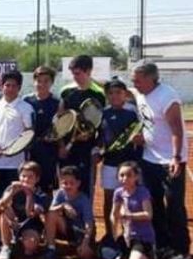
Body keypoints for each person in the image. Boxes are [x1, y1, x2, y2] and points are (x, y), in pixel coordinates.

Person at [131, 61, 190, 259]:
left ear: (150, 78)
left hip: (169, 160)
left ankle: (181, 249)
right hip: (149, 157)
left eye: (137, 80)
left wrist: (175, 157)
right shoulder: (141, 94)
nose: (134, 83)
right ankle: (163, 245)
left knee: (173, 204)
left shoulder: (167, 96)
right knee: (154, 202)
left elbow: (177, 130)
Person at [98, 76, 142, 241]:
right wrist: (99, 150)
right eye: (111, 93)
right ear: (107, 96)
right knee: (109, 200)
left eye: (118, 92)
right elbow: (100, 138)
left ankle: (129, 235)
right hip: (109, 164)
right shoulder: (103, 114)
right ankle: (110, 234)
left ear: (125, 94)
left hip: (129, 165)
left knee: (129, 199)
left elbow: (141, 135)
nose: (114, 96)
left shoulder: (133, 112)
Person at [58, 55, 106, 200]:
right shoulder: (66, 92)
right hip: (67, 149)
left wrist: (98, 148)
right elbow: (60, 121)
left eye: (78, 73)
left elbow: (102, 125)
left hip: (87, 150)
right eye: (73, 73)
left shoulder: (99, 94)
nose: (75, 77)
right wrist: (61, 146)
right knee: (66, 185)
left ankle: (86, 220)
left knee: (85, 187)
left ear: (89, 71)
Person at [0, 71, 33, 195]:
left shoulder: (26, 108)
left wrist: (14, 149)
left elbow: (29, 133)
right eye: (7, 85)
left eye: (14, 86)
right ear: (2, 86)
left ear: (19, 88)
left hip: (16, 165)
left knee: (15, 199)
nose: (10, 89)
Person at [0, 161, 48, 259]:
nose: (26, 180)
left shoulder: (41, 195)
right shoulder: (11, 189)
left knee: (30, 247)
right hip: (13, 222)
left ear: (37, 179)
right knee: (5, 209)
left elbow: (30, 214)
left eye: (30, 177)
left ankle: (19, 244)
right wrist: (12, 193)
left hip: (30, 226)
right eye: (23, 176)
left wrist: (29, 195)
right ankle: (6, 247)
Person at [41, 166, 95, 259]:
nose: (68, 186)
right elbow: (51, 210)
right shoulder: (60, 193)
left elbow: (89, 223)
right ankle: (51, 248)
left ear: (78, 183)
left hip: (80, 231)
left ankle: (77, 246)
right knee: (51, 214)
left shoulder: (84, 199)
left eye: (72, 183)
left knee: (85, 256)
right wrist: (63, 205)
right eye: (65, 183)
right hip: (65, 227)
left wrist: (85, 243)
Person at [111, 161, 155, 259]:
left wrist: (128, 216)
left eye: (129, 175)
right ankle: (127, 252)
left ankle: (150, 253)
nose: (124, 178)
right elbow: (114, 214)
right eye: (121, 175)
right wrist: (114, 234)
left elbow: (148, 215)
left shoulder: (143, 192)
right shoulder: (118, 193)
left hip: (142, 237)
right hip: (126, 236)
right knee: (107, 258)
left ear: (136, 177)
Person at [24, 66, 60, 193]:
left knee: (47, 186)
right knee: (28, 182)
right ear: (34, 82)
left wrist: (59, 145)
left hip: (49, 151)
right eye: (39, 80)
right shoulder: (26, 101)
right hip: (30, 150)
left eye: (46, 81)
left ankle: (47, 211)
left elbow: (59, 128)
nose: (42, 84)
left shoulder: (57, 102)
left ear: (52, 83)